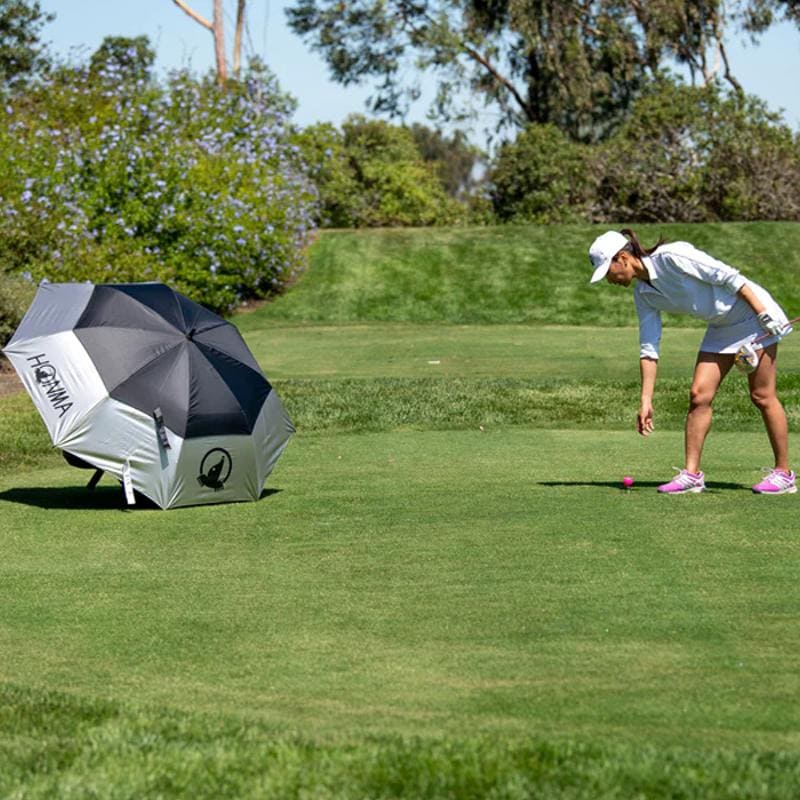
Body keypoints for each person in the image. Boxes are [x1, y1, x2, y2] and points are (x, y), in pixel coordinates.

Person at [588, 228, 796, 495]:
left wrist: (764, 314)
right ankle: (692, 474)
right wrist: (646, 400)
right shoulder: (644, 294)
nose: (610, 280)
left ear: (623, 258)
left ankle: (784, 474)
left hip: (753, 315)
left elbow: (730, 276)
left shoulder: (671, 256)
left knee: (761, 395)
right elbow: (649, 347)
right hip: (721, 327)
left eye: (608, 272)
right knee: (699, 395)